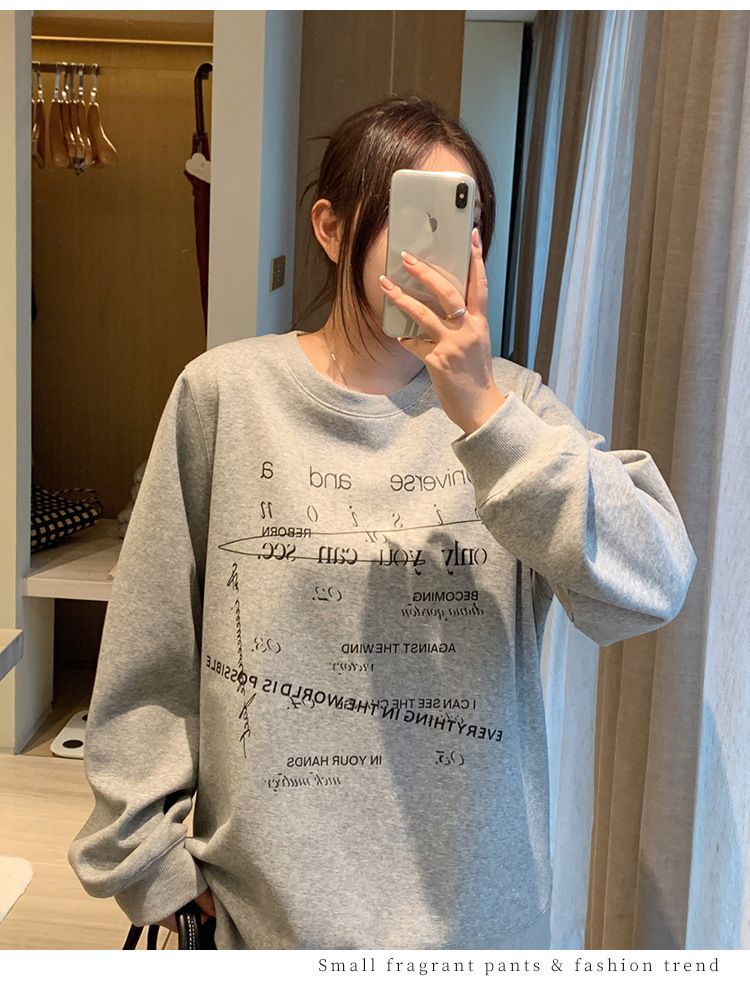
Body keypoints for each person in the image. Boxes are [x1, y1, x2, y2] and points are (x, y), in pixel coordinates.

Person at [68, 95, 697, 950]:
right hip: (266, 924)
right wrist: (155, 869)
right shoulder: (226, 396)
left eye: (460, 221)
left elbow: (654, 582)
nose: (439, 254)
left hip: (478, 929)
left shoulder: (514, 409)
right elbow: (150, 651)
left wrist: (484, 413)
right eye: (412, 217)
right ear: (332, 228)